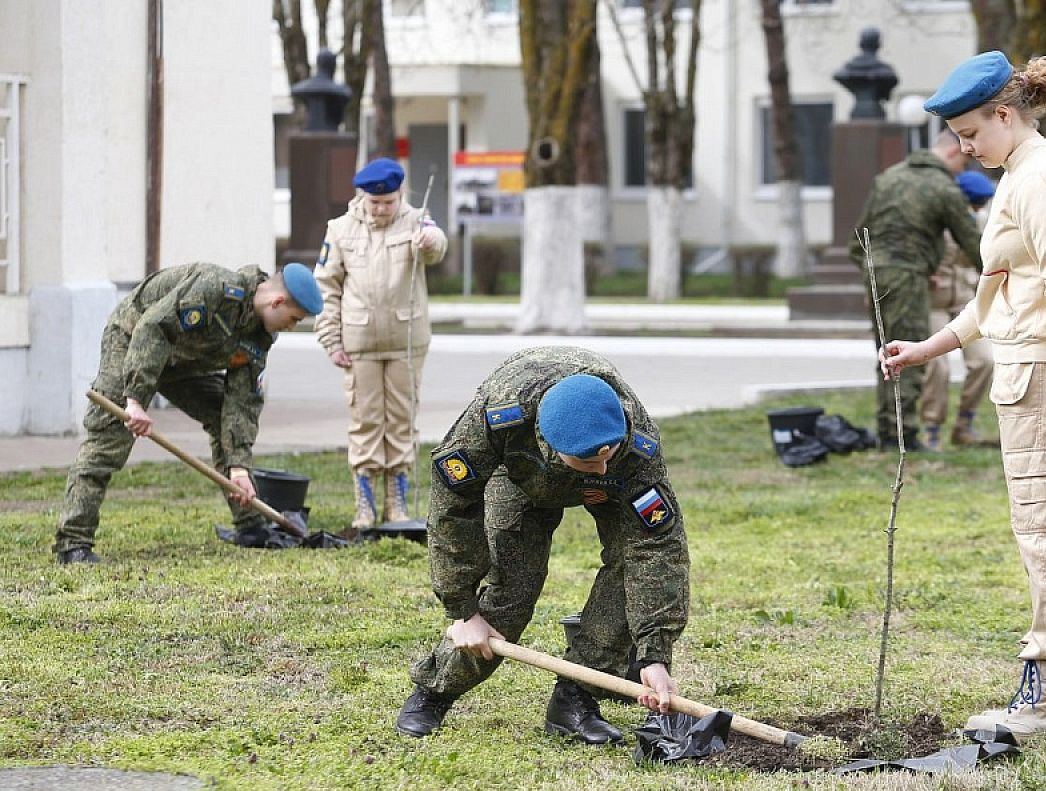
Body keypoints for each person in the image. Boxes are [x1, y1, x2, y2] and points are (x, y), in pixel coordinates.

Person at [883, 52, 1046, 740]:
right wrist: (928, 348)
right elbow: (1001, 294)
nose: (962, 147)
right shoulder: (1024, 173)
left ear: (1004, 115)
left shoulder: (1035, 181)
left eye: (970, 132)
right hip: (1038, 367)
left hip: (1045, 373)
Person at [394, 346, 689, 745]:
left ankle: (574, 699)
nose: (602, 467)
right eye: (590, 461)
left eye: (608, 456)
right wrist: (461, 609)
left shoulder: (634, 447)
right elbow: (454, 507)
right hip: (517, 475)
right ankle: (434, 692)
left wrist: (653, 654)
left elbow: (656, 548)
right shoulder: (499, 417)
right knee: (511, 590)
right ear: (551, 444)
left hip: (606, 487)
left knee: (628, 570)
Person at [54, 263, 323, 564]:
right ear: (277, 302)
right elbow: (153, 328)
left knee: (224, 416)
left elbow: (242, 403)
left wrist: (239, 468)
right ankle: (73, 544)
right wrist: (135, 399)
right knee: (110, 436)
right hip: (133, 339)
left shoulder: (260, 337)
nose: (290, 327)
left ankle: (249, 526)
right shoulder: (216, 289)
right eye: (293, 319)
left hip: (182, 363)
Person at [315, 158, 448, 530]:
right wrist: (331, 338)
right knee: (365, 420)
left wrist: (429, 241)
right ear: (362, 197)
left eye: (389, 202)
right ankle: (365, 505)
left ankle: (397, 503)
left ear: (399, 195)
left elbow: (437, 246)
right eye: (375, 203)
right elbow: (326, 287)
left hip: (407, 341)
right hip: (359, 343)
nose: (382, 209)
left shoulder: (416, 219)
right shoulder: (339, 230)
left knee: (402, 420)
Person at [848, 130, 984, 451]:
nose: (962, 168)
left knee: (886, 353)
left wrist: (873, 273)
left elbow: (858, 240)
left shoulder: (888, 178)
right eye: (963, 160)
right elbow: (974, 244)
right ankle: (900, 436)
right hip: (907, 276)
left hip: (876, 273)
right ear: (952, 152)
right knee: (905, 356)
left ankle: (887, 431)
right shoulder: (943, 188)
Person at [918, 171, 997, 450]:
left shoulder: (982, 223)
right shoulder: (934, 220)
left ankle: (964, 424)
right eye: (972, 203)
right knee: (936, 365)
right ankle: (931, 429)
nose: (975, 209)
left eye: (980, 204)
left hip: (966, 300)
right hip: (934, 303)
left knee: (985, 361)